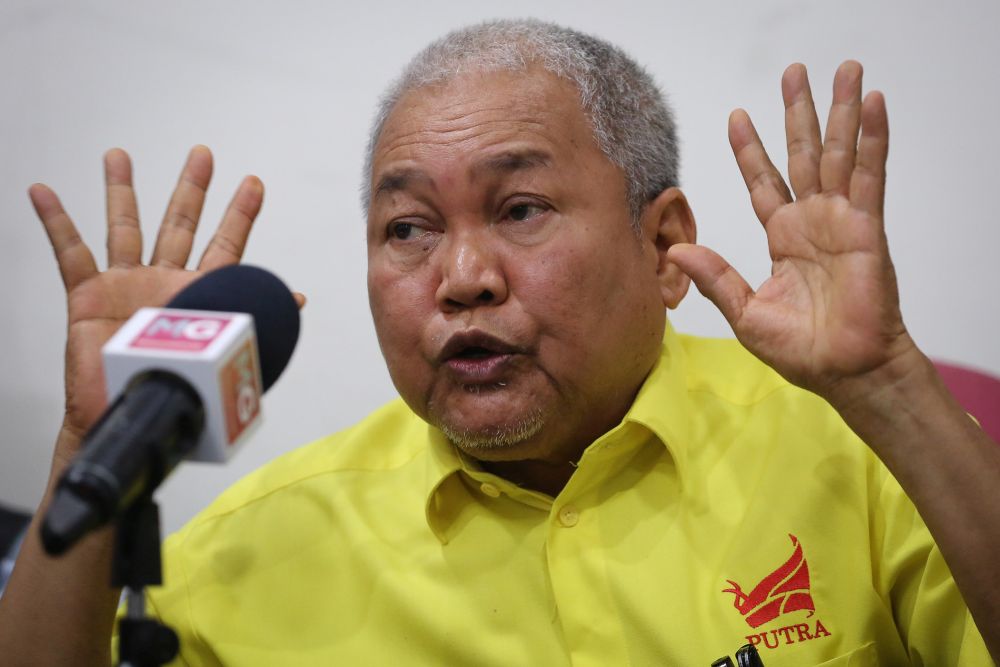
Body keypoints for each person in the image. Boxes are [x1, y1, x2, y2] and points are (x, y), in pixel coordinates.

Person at [1, 18, 998, 665]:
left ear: (663, 246)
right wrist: (95, 442)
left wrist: (886, 384)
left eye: (520, 208)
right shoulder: (254, 549)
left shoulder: (860, 450)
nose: (462, 276)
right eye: (408, 228)